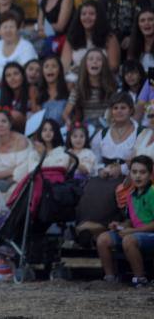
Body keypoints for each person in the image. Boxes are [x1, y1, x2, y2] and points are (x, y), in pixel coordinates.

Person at [96, 155, 154, 288]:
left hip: (148, 234)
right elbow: (131, 220)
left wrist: (132, 231)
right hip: (136, 232)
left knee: (129, 239)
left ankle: (140, 279)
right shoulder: (131, 194)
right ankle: (110, 279)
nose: (138, 176)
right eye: (134, 172)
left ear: (150, 174)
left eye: (142, 172)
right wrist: (120, 226)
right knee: (103, 239)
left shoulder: (152, 193)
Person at [0, 107, 35, 198]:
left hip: (18, 185)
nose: (0, 125)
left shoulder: (21, 141)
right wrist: (11, 171)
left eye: (4, 121)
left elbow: (22, 172)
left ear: (10, 124)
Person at [61, 0, 120, 78]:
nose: (87, 17)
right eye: (83, 14)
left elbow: (114, 66)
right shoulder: (72, 37)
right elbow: (64, 66)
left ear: (99, 17)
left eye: (91, 14)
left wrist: (89, 71)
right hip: (77, 78)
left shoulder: (109, 37)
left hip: (103, 78)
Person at [0, 11, 38, 89]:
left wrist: (4, 83)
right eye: (5, 27)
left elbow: (29, 74)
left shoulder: (26, 47)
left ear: (18, 29)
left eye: (11, 27)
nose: (8, 30)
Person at [91, 92, 140, 181]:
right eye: (115, 108)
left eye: (123, 108)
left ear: (131, 110)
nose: (119, 111)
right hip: (104, 180)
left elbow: (146, 162)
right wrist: (100, 170)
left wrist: (121, 169)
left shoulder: (141, 133)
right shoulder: (102, 134)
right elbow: (94, 161)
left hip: (131, 181)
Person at [62, 49, 117, 127]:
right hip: (87, 127)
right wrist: (69, 123)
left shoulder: (111, 86)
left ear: (104, 65)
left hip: (107, 126)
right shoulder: (78, 88)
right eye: (91, 59)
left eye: (99, 59)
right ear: (85, 64)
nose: (95, 62)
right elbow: (65, 113)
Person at [0, 62, 38, 130]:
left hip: (30, 130)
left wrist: (33, 99)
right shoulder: (1, 94)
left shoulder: (32, 90)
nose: (12, 78)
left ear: (23, 76)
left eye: (16, 74)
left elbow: (37, 116)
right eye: (8, 75)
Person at [37, 55, 69, 126]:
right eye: (46, 66)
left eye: (54, 66)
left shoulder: (68, 89)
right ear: (42, 71)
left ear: (59, 71)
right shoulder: (38, 93)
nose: (50, 69)